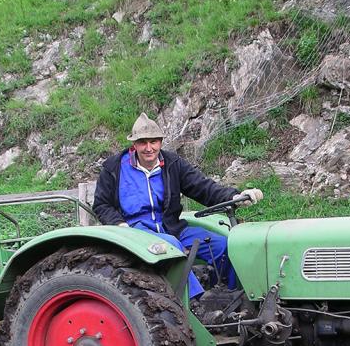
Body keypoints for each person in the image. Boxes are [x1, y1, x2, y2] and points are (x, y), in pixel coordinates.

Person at [92, 113, 263, 298]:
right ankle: (196, 304)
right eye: (143, 142)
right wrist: (120, 224)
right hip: (136, 232)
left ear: (160, 142)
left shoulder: (173, 164)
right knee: (171, 246)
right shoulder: (114, 168)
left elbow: (202, 187)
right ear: (134, 144)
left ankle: (231, 297)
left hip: (172, 227)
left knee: (223, 245)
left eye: (154, 142)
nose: (149, 148)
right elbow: (101, 204)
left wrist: (235, 196)